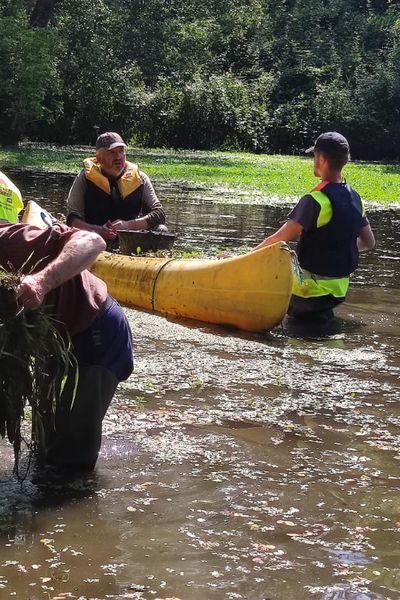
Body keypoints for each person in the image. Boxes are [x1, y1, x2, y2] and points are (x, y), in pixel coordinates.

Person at [0, 170, 134, 479]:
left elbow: (92, 239)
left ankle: (74, 513)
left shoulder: (11, 242)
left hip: (96, 332)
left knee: (68, 463)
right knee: (45, 446)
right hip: (55, 342)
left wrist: (41, 281)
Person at [254, 132, 375, 328]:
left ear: (321, 158)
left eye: (314, 156)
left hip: (307, 294)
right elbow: (369, 242)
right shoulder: (356, 199)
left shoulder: (315, 201)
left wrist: (243, 260)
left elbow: (278, 239)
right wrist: (340, 252)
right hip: (336, 293)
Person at [66, 131, 167, 240]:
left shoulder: (140, 178)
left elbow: (159, 214)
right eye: (112, 152)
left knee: (161, 230)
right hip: (94, 238)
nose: (118, 157)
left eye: (121, 151)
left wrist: (127, 226)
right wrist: (99, 230)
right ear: (100, 158)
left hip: (130, 237)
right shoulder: (84, 178)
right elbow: (72, 220)